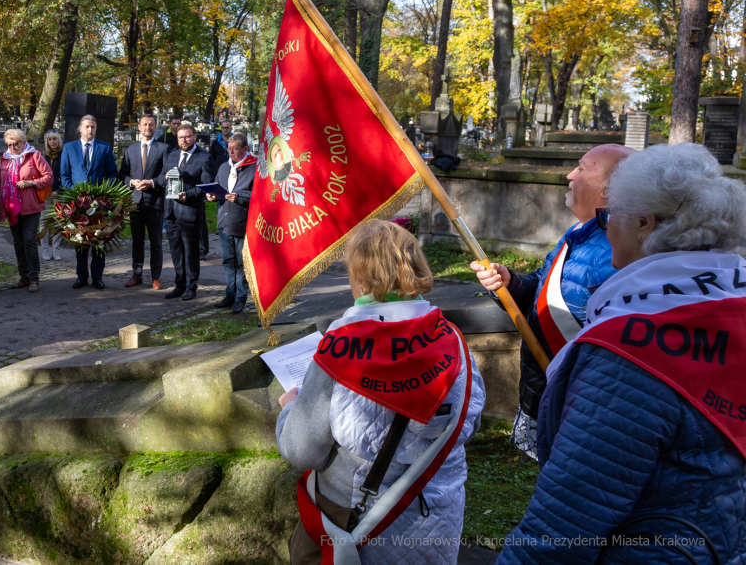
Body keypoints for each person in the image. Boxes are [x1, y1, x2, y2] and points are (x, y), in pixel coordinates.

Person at [497, 143, 746, 564]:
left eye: (613, 218)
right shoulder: (731, 304)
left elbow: (563, 525)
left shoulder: (626, 354)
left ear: (645, 224)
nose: (608, 228)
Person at [277, 220, 485, 565]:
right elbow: (467, 424)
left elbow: (303, 450)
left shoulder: (341, 345)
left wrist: (290, 407)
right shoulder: (452, 340)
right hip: (436, 511)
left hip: (358, 521)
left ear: (360, 276)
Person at [469, 143, 633, 458]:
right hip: (552, 393)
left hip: (582, 409)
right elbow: (546, 289)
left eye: (583, 168)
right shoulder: (581, 231)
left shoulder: (617, 250)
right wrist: (510, 283)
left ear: (611, 190)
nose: (571, 174)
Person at [154, 123, 214, 301]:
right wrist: (163, 179)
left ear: (195, 137)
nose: (184, 140)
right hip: (171, 212)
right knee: (176, 251)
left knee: (191, 252)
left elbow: (206, 186)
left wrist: (188, 195)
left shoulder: (204, 157)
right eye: (181, 137)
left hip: (189, 211)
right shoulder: (171, 155)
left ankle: (191, 286)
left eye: (187, 136)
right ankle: (179, 284)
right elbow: (161, 178)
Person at [60, 114, 120, 289]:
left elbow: (113, 173)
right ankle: (81, 276)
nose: (90, 130)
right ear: (80, 128)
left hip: (100, 204)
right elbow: (64, 174)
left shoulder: (104, 148)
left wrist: (104, 193)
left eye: (93, 127)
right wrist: (74, 194)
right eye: (87, 126)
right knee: (81, 240)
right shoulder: (69, 148)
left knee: (99, 241)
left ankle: (97, 277)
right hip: (77, 204)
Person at [0, 128, 53, 292]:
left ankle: (34, 278)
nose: (13, 147)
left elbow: (49, 176)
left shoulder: (34, 156)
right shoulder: (4, 159)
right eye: (10, 144)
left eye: (16, 143)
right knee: (18, 242)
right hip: (12, 207)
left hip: (30, 206)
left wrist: (31, 183)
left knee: (29, 240)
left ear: (23, 142)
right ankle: (24, 277)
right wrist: (1, 198)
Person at [206, 133, 255, 313]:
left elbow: (260, 195)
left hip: (242, 222)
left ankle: (240, 298)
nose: (231, 152)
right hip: (225, 221)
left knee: (241, 262)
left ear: (245, 149)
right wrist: (211, 195)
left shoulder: (254, 168)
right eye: (229, 149)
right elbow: (218, 186)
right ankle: (230, 294)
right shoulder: (224, 167)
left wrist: (239, 197)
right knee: (228, 261)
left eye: (235, 149)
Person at [119, 113, 168, 289]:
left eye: (151, 125)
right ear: (139, 127)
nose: (148, 128)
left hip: (155, 202)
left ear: (155, 127)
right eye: (145, 125)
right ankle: (137, 274)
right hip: (135, 202)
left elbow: (167, 175)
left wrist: (152, 183)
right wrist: (131, 182)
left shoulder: (163, 149)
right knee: (137, 240)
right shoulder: (130, 150)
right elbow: (122, 174)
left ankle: (156, 277)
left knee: (156, 241)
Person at [39, 129, 64, 261]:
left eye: (54, 139)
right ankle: (45, 249)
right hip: (46, 193)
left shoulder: (64, 154)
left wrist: (59, 190)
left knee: (58, 221)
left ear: (59, 140)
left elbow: (66, 175)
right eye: (50, 139)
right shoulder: (43, 156)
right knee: (44, 221)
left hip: (60, 193)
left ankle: (56, 249)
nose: (52, 142)